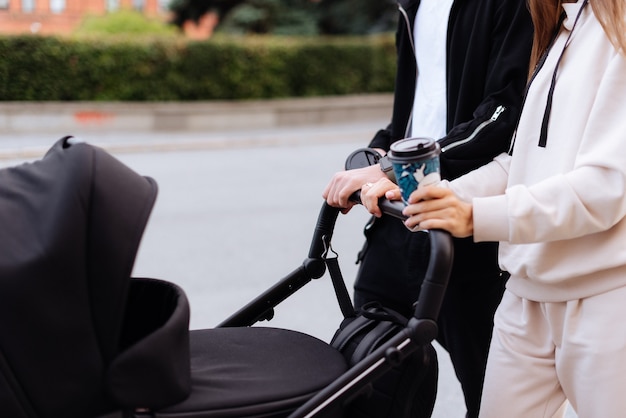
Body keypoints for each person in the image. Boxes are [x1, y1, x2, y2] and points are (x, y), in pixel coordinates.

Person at [363, 0, 626, 416]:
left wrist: (474, 217)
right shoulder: (558, 29)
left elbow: (605, 188)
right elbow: (519, 162)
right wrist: (444, 198)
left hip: (606, 302)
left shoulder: (618, 35)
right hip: (525, 295)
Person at [323, 1, 532, 416]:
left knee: (494, 397)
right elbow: (415, 112)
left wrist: (392, 168)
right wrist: (381, 150)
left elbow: (504, 114)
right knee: (363, 377)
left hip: (467, 227)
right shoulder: (412, 5)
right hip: (397, 223)